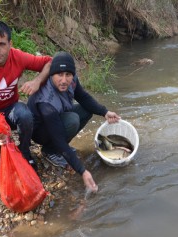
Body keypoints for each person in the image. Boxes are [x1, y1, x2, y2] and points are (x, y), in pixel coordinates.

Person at [27, 51, 120, 192]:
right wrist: (82, 171)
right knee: (72, 120)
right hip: (41, 130)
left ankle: (59, 150)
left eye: (68, 75)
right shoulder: (46, 102)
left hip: (57, 118)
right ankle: (50, 151)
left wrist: (104, 112)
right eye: (59, 75)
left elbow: (82, 96)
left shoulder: (72, 80)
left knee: (86, 109)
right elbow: (58, 138)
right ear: (51, 75)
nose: (64, 80)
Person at [0, 20, 52, 170]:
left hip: (11, 109)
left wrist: (37, 81)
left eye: (2, 44)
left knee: (25, 115)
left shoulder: (18, 57)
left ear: (10, 43)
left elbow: (49, 62)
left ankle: (25, 151)